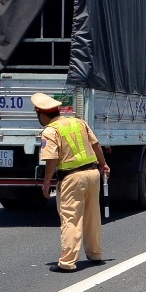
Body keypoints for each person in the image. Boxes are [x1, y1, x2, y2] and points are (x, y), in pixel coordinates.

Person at [33, 92, 111, 272]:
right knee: (93, 215)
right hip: (92, 173)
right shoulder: (78, 122)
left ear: (42, 114)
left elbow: (51, 159)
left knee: (71, 218)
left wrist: (46, 184)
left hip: (71, 177)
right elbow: (95, 144)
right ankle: (95, 253)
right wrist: (103, 164)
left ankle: (67, 262)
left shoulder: (50, 131)